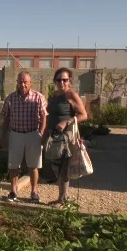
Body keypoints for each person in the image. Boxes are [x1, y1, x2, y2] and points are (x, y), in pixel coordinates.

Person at [1, 71, 48, 202]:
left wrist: (41, 133)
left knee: (33, 165)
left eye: (25, 82)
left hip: (33, 134)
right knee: (13, 165)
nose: (22, 84)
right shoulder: (10, 98)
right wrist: (4, 136)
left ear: (30, 83)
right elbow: (6, 118)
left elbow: (44, 116)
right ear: (17, 82)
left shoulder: (38, 97)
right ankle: (14, 191)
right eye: (20, 82)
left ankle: (34, 192)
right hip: (15, 134)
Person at [44, 67, 88, 209]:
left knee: (63, 166)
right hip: (54, 135)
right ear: (55, 81)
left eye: (65, 80)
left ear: (69, 81)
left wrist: (67, 122)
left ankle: (62, 200)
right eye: (59, 79)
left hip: (66, 136)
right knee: (56, 165)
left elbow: (83, 115)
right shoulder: (54, 95)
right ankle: (62, 197)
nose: (61, 82)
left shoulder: (71, 94)